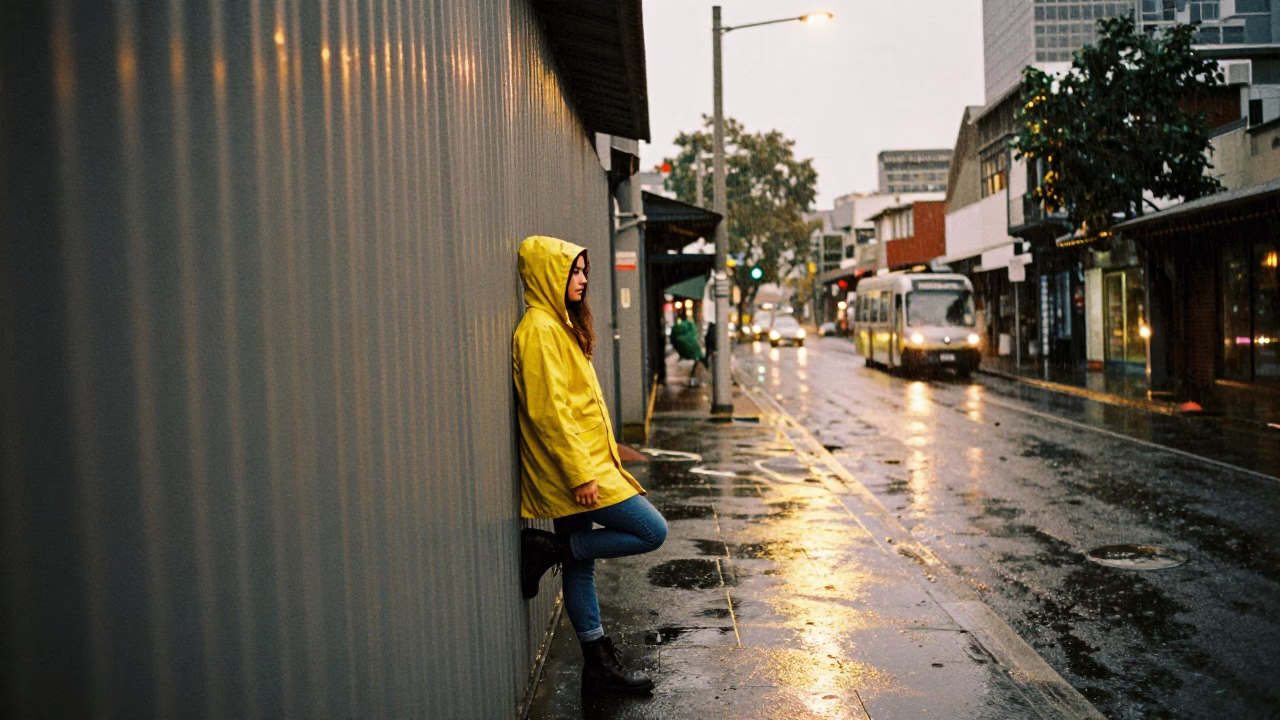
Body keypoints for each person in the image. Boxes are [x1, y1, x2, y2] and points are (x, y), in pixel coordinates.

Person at [514, 235, 668, 695]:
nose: (582, 280)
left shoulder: (557, 326)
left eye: (583, 271)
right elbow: (550, 412)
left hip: (585, 464)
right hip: (577, 472)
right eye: (573, 271)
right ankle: (553, 549)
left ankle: (597, 666)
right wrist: (581, 473)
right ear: (548, 274)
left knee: (581, 567)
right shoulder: (539, 330)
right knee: (651, 531)